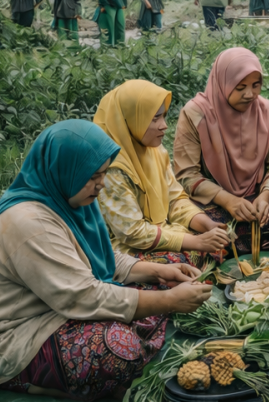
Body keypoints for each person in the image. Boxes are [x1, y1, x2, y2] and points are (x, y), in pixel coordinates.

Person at [0, 121, 212, 401]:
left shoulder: (68, 200)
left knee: (160, 280)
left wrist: (160, 272)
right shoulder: (30, 224)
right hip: (9, 340)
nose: (100, 184)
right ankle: (37, 385)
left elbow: (100, 256)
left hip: (54, 309)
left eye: (103, 174)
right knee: (119, 347)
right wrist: (171, 301)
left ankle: (101, 375)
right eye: (93, 176)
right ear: (65, 171)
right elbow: (84, 296)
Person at [94, 80, 233, 266]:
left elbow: (175, 199)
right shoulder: (112, 169)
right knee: (177, 262)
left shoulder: (156, 152)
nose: (164, 125)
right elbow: (132, 233)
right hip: (126, 248)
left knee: (220, 227)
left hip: (161, 229)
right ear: (131, 120)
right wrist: (195, 242)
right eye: (154, 118)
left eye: (164, 116)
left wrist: (206, 225)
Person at [173, 48, 269, 247]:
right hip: (212, 201)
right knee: (204, 230)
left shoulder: (267, 112)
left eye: (256, 85)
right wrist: (227, 200)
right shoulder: (196, 114)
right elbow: (187, 175)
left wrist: (266, 196)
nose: (249, 94)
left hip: (256, 197)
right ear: (222, 84)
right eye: (240, 87)